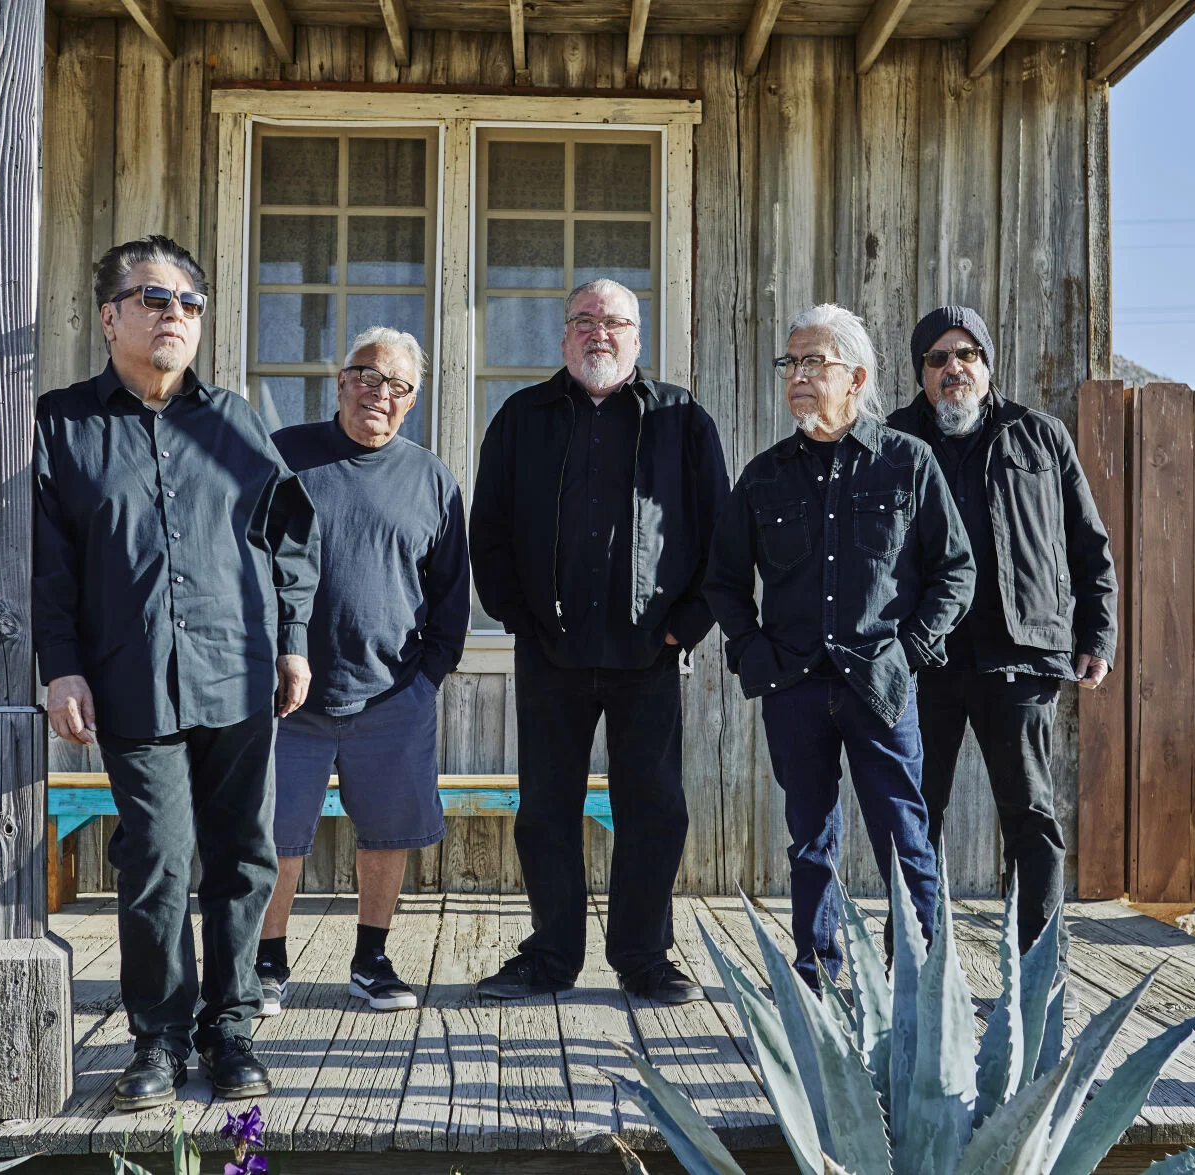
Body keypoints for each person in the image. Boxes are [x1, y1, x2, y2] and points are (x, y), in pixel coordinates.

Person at [32, 236, 318, 1112]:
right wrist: (62, 667)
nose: (174, 316)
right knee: (154, 856)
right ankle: (157, 1035)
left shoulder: (233, 421)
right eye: (154, 299)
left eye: (189, 303)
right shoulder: (63, 423)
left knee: (242, 855)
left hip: (237, 673)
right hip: (131, 678)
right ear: (109, 314)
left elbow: (288, 539)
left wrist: (293, 638)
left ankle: (229, 1028)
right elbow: (46, 561)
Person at [469, 278, 729, 1003]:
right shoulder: (522, 418)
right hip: (549, 652)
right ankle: (550, 957)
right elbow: (486, 532)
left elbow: (721, 537)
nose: (598, 333)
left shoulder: (681, 419)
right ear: (562, 336)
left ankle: (643, 958)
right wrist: (520, 618)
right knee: (545, 810)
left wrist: (684, 625)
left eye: (613, 321)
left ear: (637, 337)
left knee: (654, 808)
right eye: (583, 320)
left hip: (647, 652)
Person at [705, 303, 974, 990]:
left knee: (905, 840)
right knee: (810, 843)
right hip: (794, 687)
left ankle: (918, 981)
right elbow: (724, 580)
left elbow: (955, 570)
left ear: (853, 376)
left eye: (811, 362)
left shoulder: (905, 462)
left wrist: (907, 652)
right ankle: (814, 977)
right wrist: (751, 652)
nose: (796, 376)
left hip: (880, 688)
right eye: (789, 363)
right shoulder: (764, 476)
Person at [887, 305, 1117, 955]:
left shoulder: (1038, 436)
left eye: (967, 354)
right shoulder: (891, 440)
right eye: (937, 357)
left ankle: (1036, 971)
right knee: (912, 816)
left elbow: (1087, 544)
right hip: (920, 660)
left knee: (1030, 818)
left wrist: (1096, 633)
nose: (953, 367)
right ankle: (912, 965)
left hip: (1019, 654)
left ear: (987, 365)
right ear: (921, 372)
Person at [256, 327, 468, 1014]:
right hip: (287, 698)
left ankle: (371, 959)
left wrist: (427, 678)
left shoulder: (431, 478)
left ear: (413, 399)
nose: (381, 393)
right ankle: (266, 962)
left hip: (393, 694)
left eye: (398, 385)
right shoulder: (286, 456)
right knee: (278, 833)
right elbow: (245, 564)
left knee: (388, 832)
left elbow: (449, 596)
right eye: (368, 377)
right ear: (341, 380)